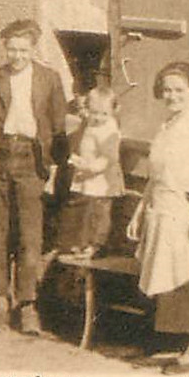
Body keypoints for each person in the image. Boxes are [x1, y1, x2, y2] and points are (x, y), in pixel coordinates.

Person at [0, 19, 69, 335]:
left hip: (32, 163)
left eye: (23, 50)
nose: (17, 56)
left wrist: (54, 171)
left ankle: (27, 305)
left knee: (30, 237)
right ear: (5, 48)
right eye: (11, 49)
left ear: (33, 48)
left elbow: (58, 128)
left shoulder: (49, 80)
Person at [128, 61, 189, 374]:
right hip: (162, 209)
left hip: (188, 211)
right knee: (165, 276)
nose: (173, 95)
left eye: (179, 90)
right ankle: (176, 346)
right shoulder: (165, 126)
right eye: (167, 90)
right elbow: (156, 178)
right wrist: (139, 213)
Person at [58, 85, 124, 259]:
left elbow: (110, 157)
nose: (98, 118)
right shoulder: (89, 122)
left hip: (102, 177)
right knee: (84, 210)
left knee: (99, 212)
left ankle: (96, 244)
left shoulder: (110, 130)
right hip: (87, 174)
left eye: (104, 114)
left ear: (114, 111)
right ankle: (81, 242)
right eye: (94, 112)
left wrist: (91, 167)